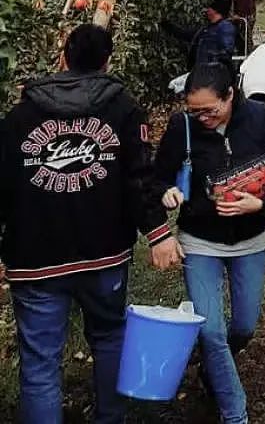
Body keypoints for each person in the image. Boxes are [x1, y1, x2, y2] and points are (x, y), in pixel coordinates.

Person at [0, 24, 183, 424]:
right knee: (109, 337)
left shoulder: (21, 116)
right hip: (104, 255)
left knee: (41, 361)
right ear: (107, 61)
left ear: (64, 57)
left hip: (36, 258)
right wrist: (158, 234)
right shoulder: (122, 109)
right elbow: (140, 177)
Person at [154, 63, 265, 424]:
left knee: (244, 326)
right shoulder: (181, 127)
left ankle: (212, 370)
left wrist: (261, 204)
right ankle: (236, 415)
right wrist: (166, 191)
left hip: (251, 238)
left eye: (210, 110)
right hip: (200, 239)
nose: (202, 117)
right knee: (211, 331)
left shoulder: (260, 117)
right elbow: (155, 178)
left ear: (230, 95)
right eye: (194, 110)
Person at [162, 0, 238, 71]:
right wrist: (167, 25)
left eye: (209, 8)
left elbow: (226, 49)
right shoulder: (206, 29)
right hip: (201, 72)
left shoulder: (225, 27)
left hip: (214, 73)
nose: (207, 10)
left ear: (215, 11)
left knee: (175, 84)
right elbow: (184, 34)